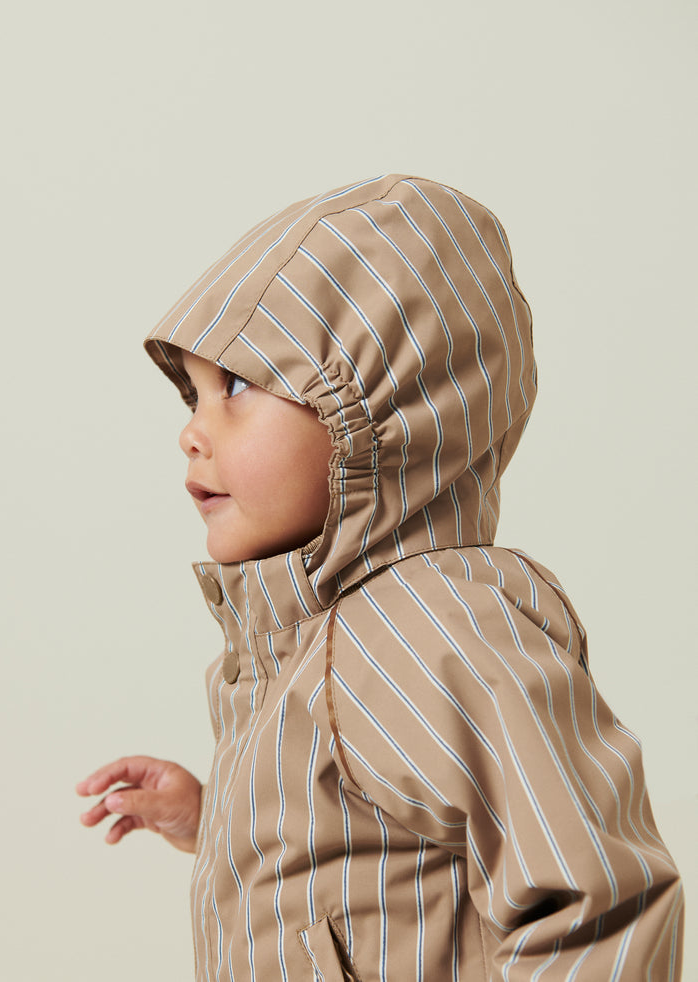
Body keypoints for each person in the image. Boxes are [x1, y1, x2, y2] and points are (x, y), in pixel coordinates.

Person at [77, 175, 684, 980]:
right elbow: (355, 861)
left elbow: (594, 894)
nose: (192, 430)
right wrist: (215, 818)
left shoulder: (425, 628)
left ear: (376, 414)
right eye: (191, 395)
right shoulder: (304, 642)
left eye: (239, 386)